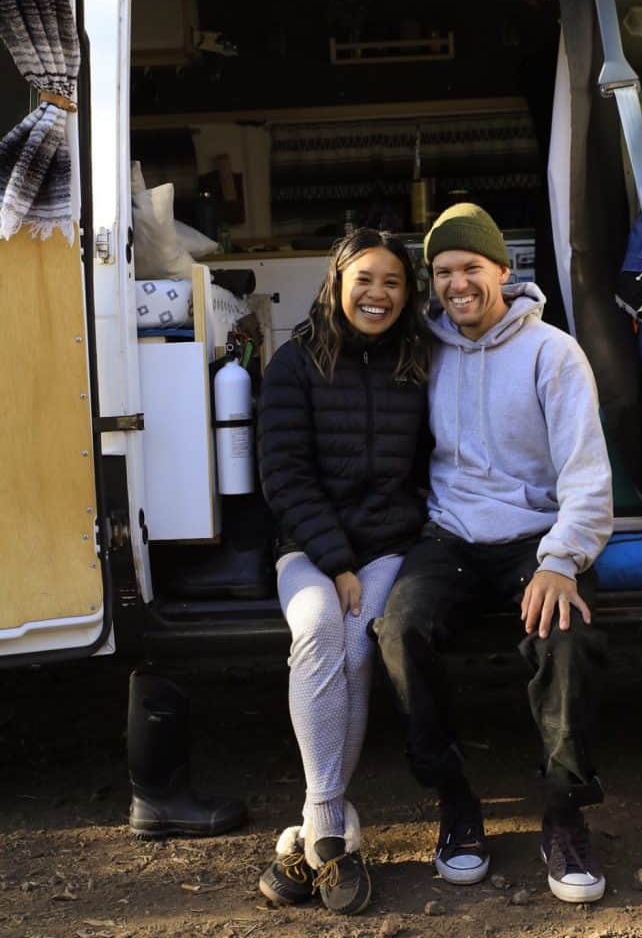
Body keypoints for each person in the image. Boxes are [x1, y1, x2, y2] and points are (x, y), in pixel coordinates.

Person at [373, 203, 613, 903]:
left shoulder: (552, 352)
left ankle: (565, 814)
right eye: (442, 271)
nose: (456, 283)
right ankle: (455, 801)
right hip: (447, 536)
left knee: (564, 638)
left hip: (534, 538)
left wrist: (560, 559)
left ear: (502, 272)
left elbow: (585, 473)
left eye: (470, 267)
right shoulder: (423, 350)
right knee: (399, 631)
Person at [256, 228, 428, 915]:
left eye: (392, 281)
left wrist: (365, 560)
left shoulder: (418, 361)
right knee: (317, 628)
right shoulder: (294, 362)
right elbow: (283, 474)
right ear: (336, 283)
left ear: (406, 293)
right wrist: (334, 560)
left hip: (387, 545)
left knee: (357, 646)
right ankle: (332, 832)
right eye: (365, 279)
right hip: (305, 545)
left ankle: (315, 828)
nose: (377, 294)